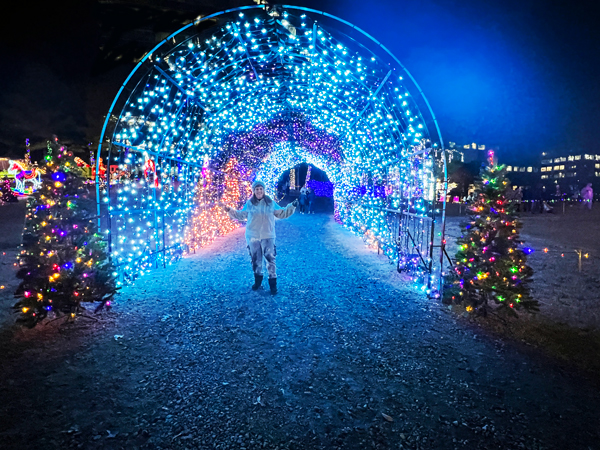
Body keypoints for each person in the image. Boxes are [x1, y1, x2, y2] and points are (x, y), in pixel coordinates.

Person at [223, 180, 297, 294]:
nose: (259, 191)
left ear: (263, 190)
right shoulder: (250, 204)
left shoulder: (270, 203)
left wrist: (291, 206)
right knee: (256, 260)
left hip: (268, 236)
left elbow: (281, 213)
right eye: (257, 189)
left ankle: (273, 285)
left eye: (260, 189)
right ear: (254, 191)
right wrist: (230, 210)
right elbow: (241, 215)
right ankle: (258, 281)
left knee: (270, 259)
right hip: (253, 236)